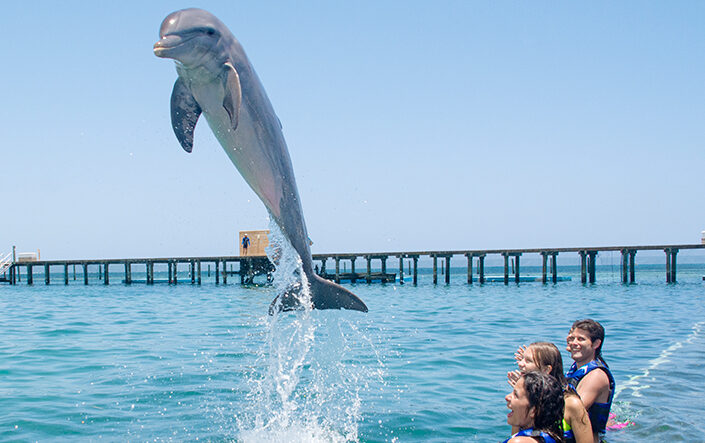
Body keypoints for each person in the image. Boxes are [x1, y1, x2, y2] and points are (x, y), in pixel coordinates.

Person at [508, 342, 592, 443]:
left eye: (528, 361)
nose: (520, 364)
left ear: (546, 369)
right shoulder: (525, 400)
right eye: (522, 359)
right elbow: (514, 435)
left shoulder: (571, 403)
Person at [565, 319, 615, 440]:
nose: (574, 343)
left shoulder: (596, 376)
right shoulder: (576, 369)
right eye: (572, 339)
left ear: (596, 344)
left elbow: (569, 413)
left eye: (581, 339)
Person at [504, 371, 565, 443]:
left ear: (534, 411)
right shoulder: (550, 436)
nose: (507, 397)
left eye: (516, 395)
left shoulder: (518, 442)